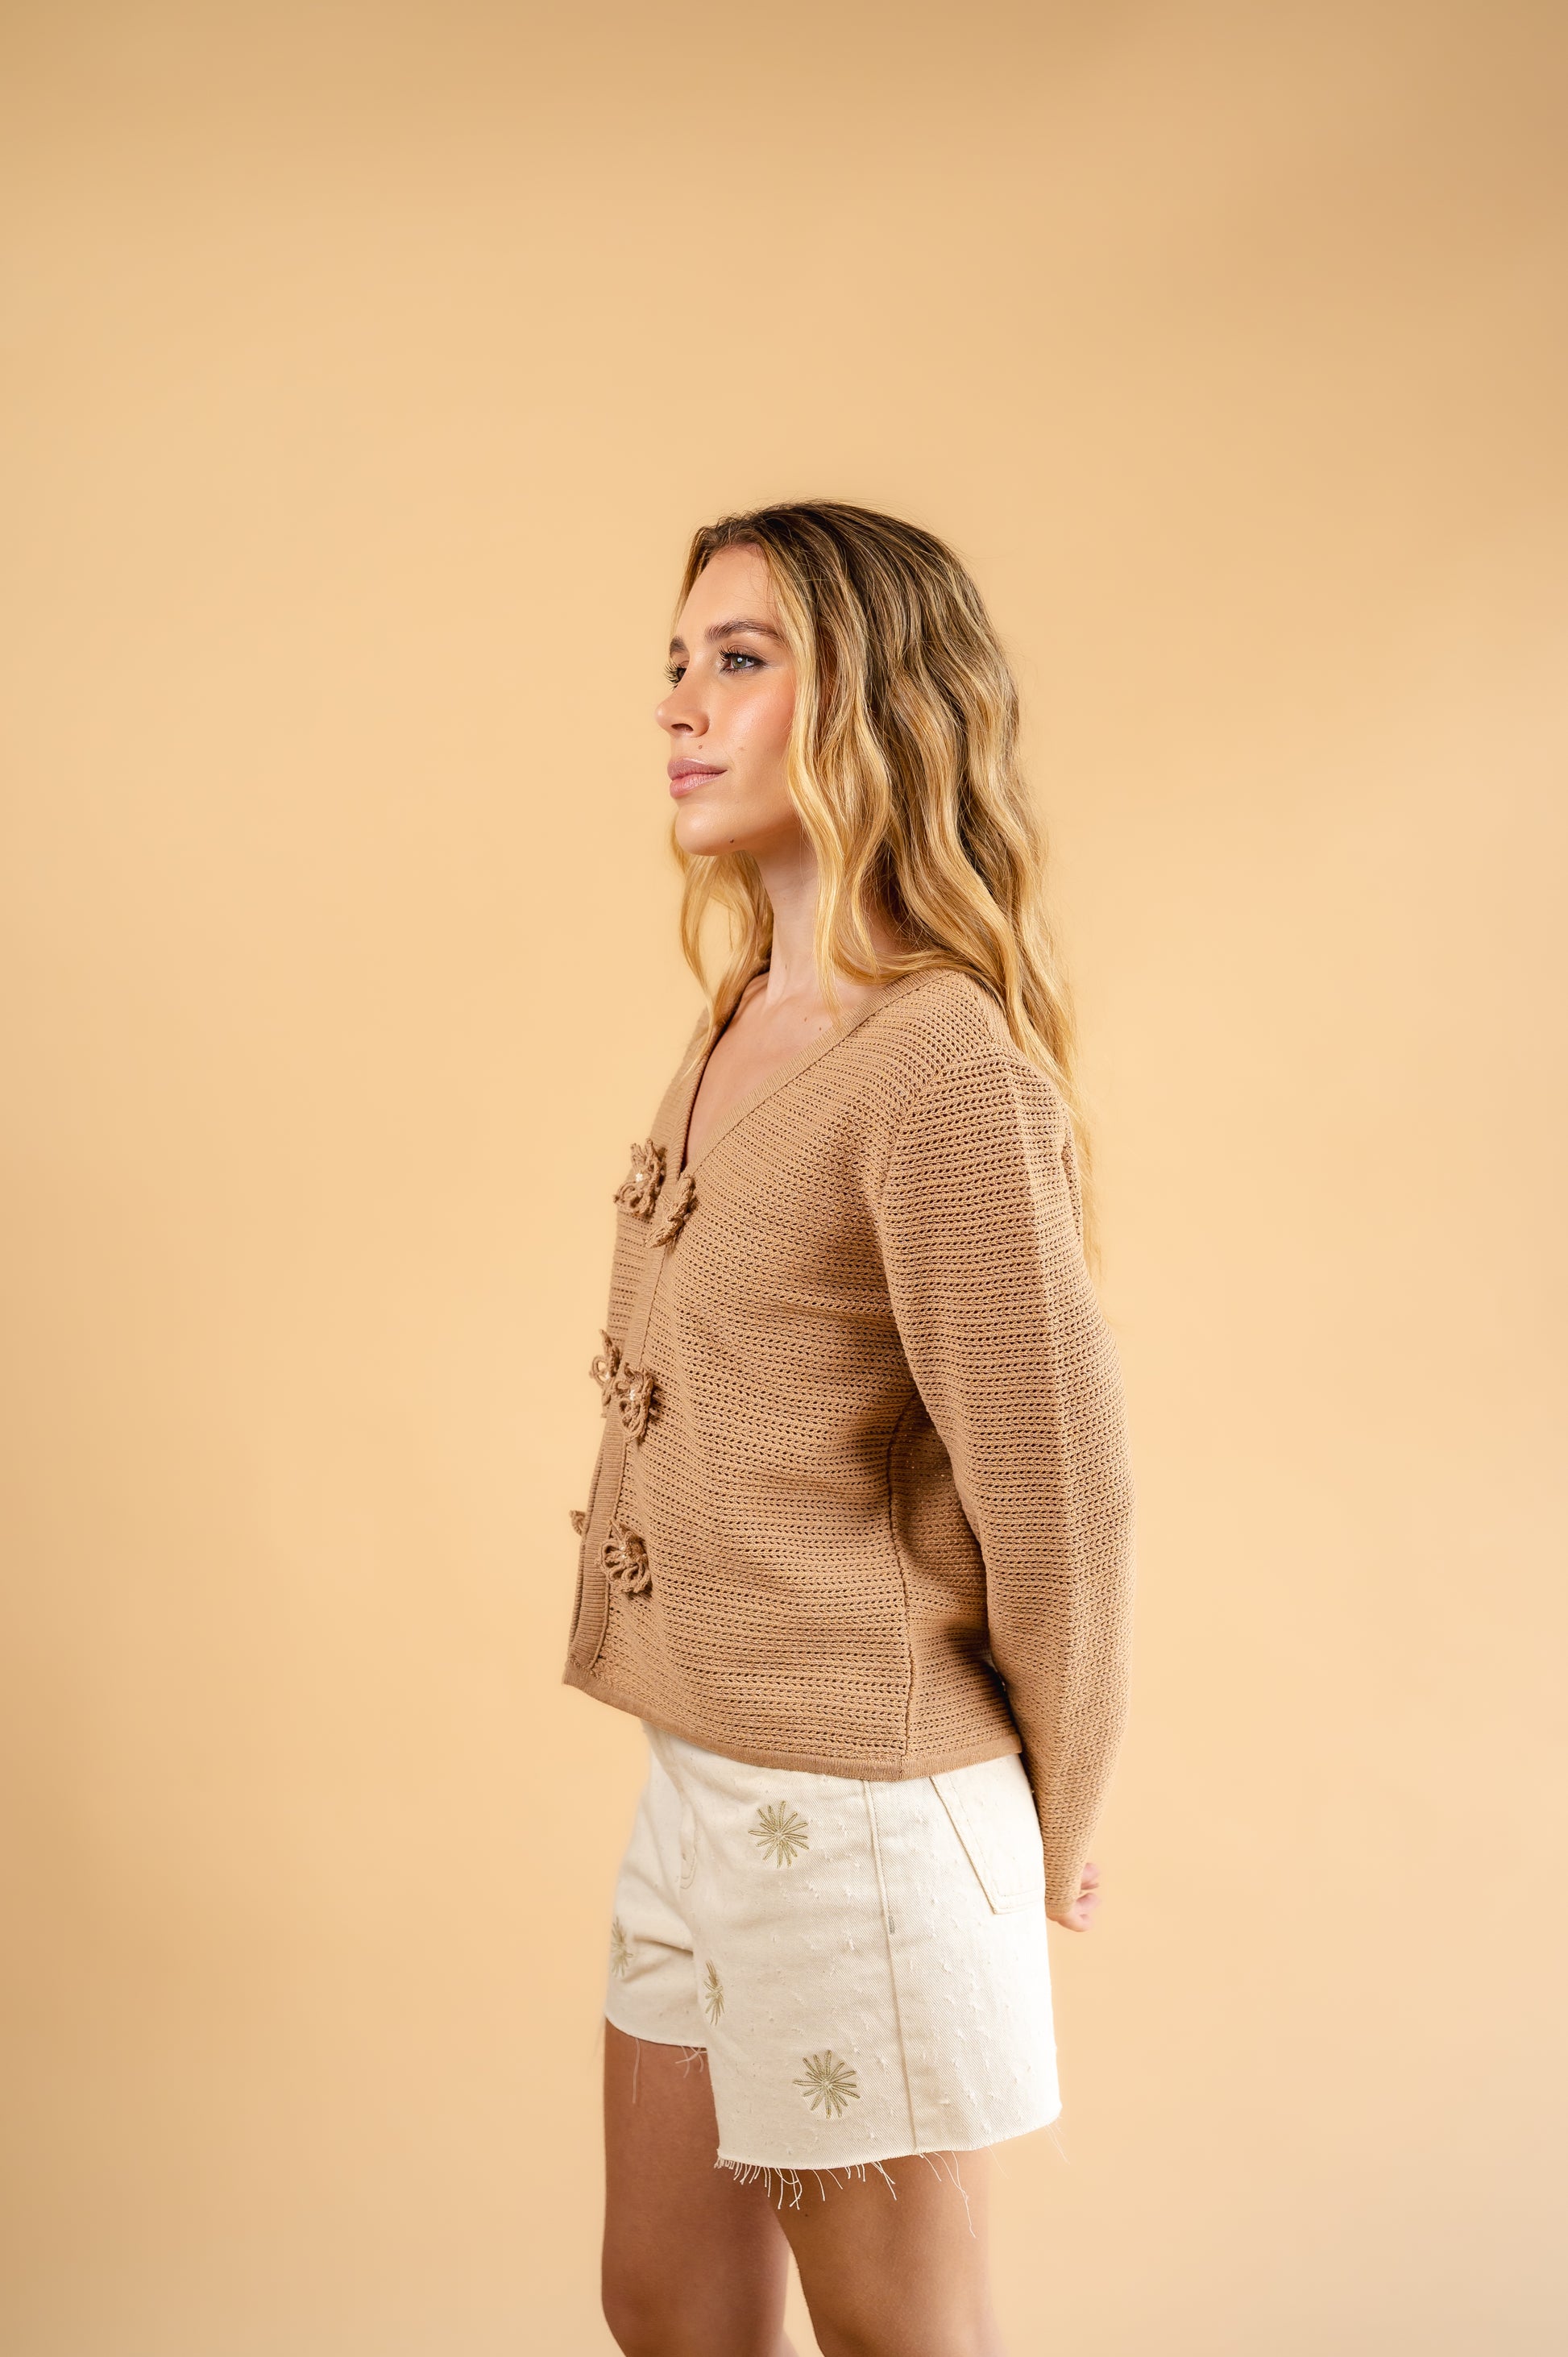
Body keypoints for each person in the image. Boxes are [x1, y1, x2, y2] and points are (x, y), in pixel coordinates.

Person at [562, 501, 1136, 2357]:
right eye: (676, 662)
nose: (681, 704)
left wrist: (1062, 1804)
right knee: (665, 2302)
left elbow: (1063, 1496)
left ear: (875, 701)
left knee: (900, 2339)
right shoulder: (741, 1011)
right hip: (701, 1777)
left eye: (740, 661)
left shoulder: (939, 1069)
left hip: (865, 1813)